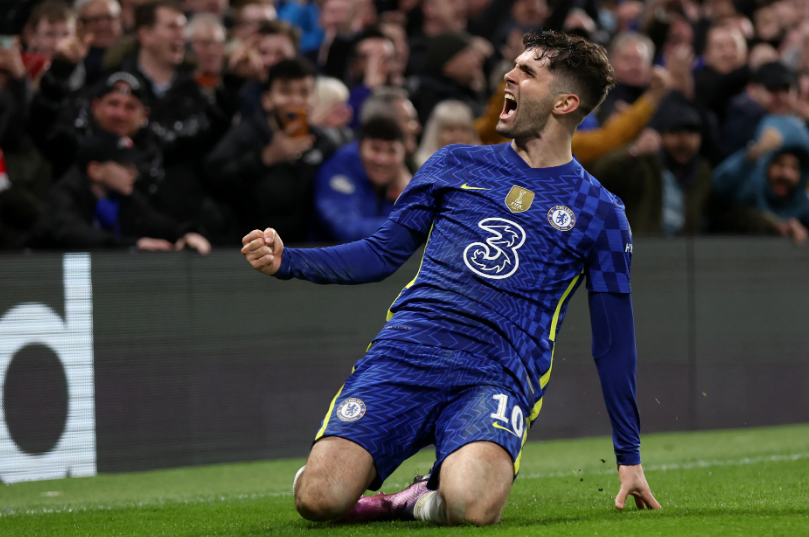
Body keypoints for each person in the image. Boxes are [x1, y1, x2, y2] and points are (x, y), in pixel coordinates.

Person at [241, 30, 660, 526]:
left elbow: (613, 342)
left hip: (497, 375)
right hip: (407, 353)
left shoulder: (601, 212)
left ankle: (413, 498)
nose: (509, 75)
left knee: (472, 506)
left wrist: (629, 456)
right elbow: (380, 254)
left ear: (564, 103)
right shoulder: (454, 163)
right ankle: (349, 475)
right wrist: (289, 260)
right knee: (319, 500)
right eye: (514, 65)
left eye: (527, 72)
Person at [205, 58, 336, 242]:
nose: (296, 100)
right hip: (248, 246)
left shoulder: (323, 143)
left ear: (315, 100)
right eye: (285, 91)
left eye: (304, 92)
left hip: (304, 249)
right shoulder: (246, 135)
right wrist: (264, 158)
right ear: (267, 100)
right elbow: (213, 178)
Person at [27, 130, 210, 253]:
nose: (134, 173)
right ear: (95, 171)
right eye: (125, 166)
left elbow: (158, 224)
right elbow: (73, 234)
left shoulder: (123, 197)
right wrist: (134, 244)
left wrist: (186, 234)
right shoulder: (65, 194)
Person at [591, 97, 713, 236]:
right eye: (676, 132)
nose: (684, 140)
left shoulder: (702, 171)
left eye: (691, 133)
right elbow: (600, 174)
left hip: (686, 246)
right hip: (646, 244)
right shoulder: (644, 163)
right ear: (660, 135)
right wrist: (634, 151)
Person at [712, 116, 809, 244]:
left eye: (794, 167)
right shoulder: (751, 192)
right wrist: (751, 157)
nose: (786, 174)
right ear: (767, 165)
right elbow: (720, 190)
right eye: (780, 164)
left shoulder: (802, 203)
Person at [312, 116, 408, 242]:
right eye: (375, 149)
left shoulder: (402, 177)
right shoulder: (338, 170)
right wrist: (408, 224)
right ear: (360, 147)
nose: (382, 160)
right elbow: (345, 229)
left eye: (392, 151)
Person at [721, 61, 797, 157]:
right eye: (773, 88)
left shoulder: (798, 121)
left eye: (786, 89)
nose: (782, 97)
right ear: (752, 89)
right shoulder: (739, 122)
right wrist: (755, 152)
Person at [415, 99, 480, 166]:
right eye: (450, 130)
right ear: (435, 134)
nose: (458, 136)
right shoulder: (422, 166)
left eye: (464, 129)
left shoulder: (481, 165)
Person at [74, 0, 124, 84]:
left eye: (109, 18)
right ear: (80, 25)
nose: (102, 25)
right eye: (95, 19)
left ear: (120, 20)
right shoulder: (73, 59)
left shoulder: (135, 54)